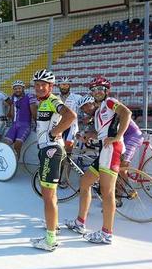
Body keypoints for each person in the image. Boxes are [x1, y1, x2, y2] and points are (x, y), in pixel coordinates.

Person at [65, 77, 132, 245]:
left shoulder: (110, 102)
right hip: (104, 150)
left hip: (112, 150)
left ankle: (106, 233)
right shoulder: (99, 110)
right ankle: (80, 223)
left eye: (100, 89)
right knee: (85, 182)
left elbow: (127, 113)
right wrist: (88, 136)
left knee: (107, 192)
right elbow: (101, 133)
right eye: (94, 90)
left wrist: (117, 136)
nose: (97, 92)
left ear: (106, 90)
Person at [29, 70, 77, 252]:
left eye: (44, 85)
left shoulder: (52, 101)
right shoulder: (43, 102)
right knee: (50, 194)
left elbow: (71, 116)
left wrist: (53, 133)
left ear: (51, 87)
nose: (40, 88)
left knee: (48, 197)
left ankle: (50, 241)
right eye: (37, 85)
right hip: (47, 149)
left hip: (51, 150)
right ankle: (53, 226)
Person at [4, 80, 37, 159]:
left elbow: (34, 112)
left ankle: (15, 164)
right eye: (15, 88)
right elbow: (12, 110)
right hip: (14, 125)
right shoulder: (13, 97)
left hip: (25, 125)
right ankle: (8, 165)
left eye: (19, 88)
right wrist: (9, 117)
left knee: (17, 145)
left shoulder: (29, 96)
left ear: (23, 88)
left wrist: (37, 124)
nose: (17, 90)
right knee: (5, 144)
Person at [57, 77, 81, 154]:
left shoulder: (77, 97)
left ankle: (68, 163)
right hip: (59, 124)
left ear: (70, 86)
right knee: (57, 145)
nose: (64, 87)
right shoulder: (55, 98)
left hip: (72, 125)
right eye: (62, 85)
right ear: (59, 86)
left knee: (69, 145)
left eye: (66, 85)